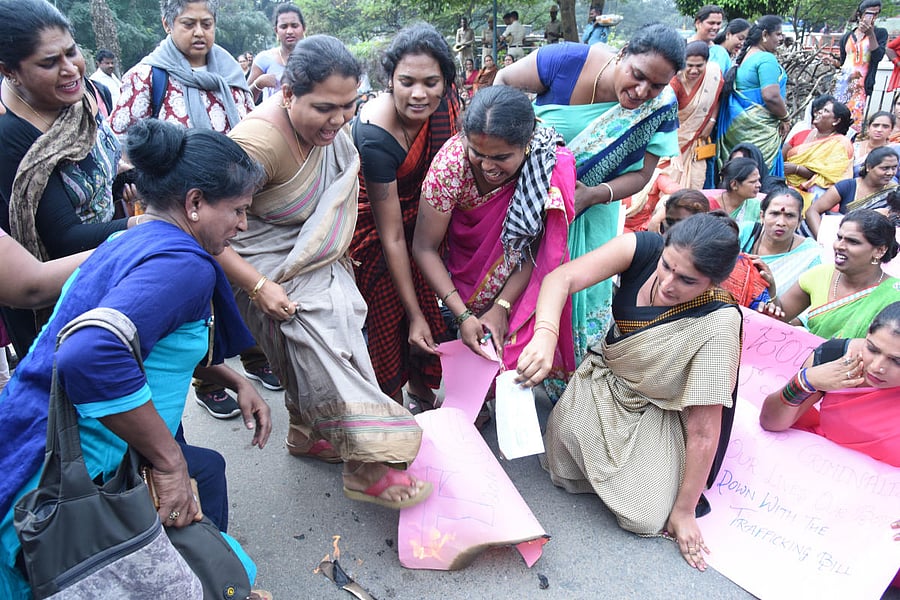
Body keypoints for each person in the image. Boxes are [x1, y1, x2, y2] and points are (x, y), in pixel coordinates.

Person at [0, 117, 272, 599]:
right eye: (238, 210)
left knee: (205, 472)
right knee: (211, 564)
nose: (243, 225)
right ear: (194, 203)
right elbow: (92, 351)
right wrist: (168, 462)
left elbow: (144, 340)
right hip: (78, 473)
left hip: (31, 435)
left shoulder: (132, 238)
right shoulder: (182, 266)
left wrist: (232, 378)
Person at [225, 35, 432, 508]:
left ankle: (305, 433)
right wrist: (258, 286)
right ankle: (369, 466)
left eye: (348, 106)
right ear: (287, 94)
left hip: (314, 258)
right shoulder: (257, 144)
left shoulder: (332, 135)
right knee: (326, 345)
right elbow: (196, 226)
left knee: (336, 334)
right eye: (324, 108)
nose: (338, 121)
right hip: (259, 266)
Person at [515, 213, 743, 572]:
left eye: (687, 280)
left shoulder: (719, 322)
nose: (668, 283)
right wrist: (544, 334)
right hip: (606, 379)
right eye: (667, 266)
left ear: (713, 283)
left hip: (656, 406)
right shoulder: (642, 247)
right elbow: (562, 278)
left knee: (647, 515)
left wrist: (684, 512)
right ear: (663, 244)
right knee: (563, 452)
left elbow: (703, 428)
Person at [494, 23, 683, 360]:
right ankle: (506, 370)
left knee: (579, 302)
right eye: (636, 75)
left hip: (594, 211)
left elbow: (642, 174)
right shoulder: (565, 61)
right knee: (509, 292)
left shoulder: (662, 106)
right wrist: (525, 141)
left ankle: (569, 384)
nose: (641, 92)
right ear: (622, 54)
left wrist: (591, 195)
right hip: (525, 201)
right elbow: (503, 83)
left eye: (655, 85)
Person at [413, 86, 577, 399]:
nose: (488, 166)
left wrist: (501, 306)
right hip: (460, 269)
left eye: (501, 157)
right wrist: (462, 315)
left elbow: (536, 249)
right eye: (478, 153)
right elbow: (424, 247)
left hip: (517, 278)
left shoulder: (545, 166)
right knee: (469, 353)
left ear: (527, 144)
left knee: (508, 358)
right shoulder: (450, 166)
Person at [0, 0, 137, 357]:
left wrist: (130, 182)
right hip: (61, 294)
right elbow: (64, 238)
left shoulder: (88, 97)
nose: (70, 69)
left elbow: (102, 174)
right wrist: (147, 224)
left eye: (71, 52)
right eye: (49, 62)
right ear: (9, 71)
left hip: (112, 267)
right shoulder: (9, 136)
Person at [349, 24, 459, 411]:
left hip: (423, 217)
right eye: (407, 81)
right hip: (377, 233)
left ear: (446, 82)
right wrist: (414, 315)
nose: (419, 94)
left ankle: (422, 392)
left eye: (431, 82)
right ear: (389, 80)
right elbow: (392, 235)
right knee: (392, 311)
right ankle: (391, 407)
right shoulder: (377, 133)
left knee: (427, 298)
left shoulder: (444, 105)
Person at [759, 301, 900, 589]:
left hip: (878, 540)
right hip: (804, 511)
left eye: (897, 361)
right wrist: (806, 381)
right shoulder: (839, 357)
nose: (877, 366)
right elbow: (772, 421)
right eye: (872, 348)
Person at [111, 0, 254, 135]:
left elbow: (252, 132)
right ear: (167, 24)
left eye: (206, 24)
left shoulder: (232, 74)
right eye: (188, 24)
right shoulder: (145, 78)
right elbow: (121, 146)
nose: (199, 32)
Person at [762, 209, 900, 339]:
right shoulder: (819, 275)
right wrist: (771, 289)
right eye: (839, 237)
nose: (839, 246)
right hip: (809, 360)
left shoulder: (894, 295)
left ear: (880, 251)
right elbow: (779, 317)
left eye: (853, 241)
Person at [717, 16, 789, 178]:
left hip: (739, 132)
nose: (781, 39)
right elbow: (770, 96)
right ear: (765, 34)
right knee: (757, 178)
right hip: (760, 134)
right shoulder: (766, 59)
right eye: (778, 34)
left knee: (741, 178)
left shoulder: (747, 56)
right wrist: (785, 117)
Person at [661, 41, 722, 191]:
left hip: (697, 142)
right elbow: (664, 119)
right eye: (689, 65)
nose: (694, 70)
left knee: (695, 185)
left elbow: (718, 97)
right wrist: (674, 150)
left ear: (706, 63)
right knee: (668, 181)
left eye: (699, 66)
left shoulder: (713, 74)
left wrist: (711, 122)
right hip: (672, 140)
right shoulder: (674, 83)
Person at [739, 187, 821, 293]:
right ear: (762, 216)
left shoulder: (812, 255)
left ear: (799, 221)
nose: (781, 222)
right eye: (775, 214)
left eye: (789, 215)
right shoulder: (744, 233)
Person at [805, 146, 899, 237]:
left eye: (894, 168)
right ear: (869, 167)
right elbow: (813, 211)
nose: (890, 173)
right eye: (884, 168)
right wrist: (822, 239)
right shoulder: (847, 187)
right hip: (845, 240)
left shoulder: (895, 191)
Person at [783, 95, 854, 208]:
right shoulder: (801, 134)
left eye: (825, 111)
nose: (819, 112)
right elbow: (781, 159)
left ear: (836, 120)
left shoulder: (841, 144)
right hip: (784, 187)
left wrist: (797, 169)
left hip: (817, 198)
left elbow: (831, 177)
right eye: (820, 109)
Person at [834, 0, 887, 129]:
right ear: (860, 14)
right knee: (836, 116)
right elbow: (843, 61)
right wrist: (833, 63)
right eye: (869, 13)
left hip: (861, 85)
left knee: (854, 120)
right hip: (843, 83)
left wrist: (870, 34)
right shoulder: (847, 36)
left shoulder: (880, 33)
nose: (873, 17)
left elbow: (878, 56)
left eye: (876, 14)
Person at [247, 3, 305, 102]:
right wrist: (258, 84)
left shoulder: (315, 59)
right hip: (271, 116)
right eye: (284, 27)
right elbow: (243, 99)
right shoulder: (264, 59)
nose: (289, 31)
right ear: (276, 30)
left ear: (303, 28)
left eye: (294, 26)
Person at [706, 157, 762, 224]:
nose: (759, 185)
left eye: (758, 180)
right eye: (752, 182)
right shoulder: (709, 206)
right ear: (734, 185)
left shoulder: (756, 207)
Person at [853, 111, 896, 176]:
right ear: (868, 128)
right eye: (875, 125)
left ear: (891, 130)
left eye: (885, 126)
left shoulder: (895, 149)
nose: (879, 130)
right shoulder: (855, 147)